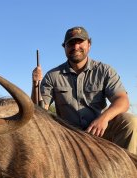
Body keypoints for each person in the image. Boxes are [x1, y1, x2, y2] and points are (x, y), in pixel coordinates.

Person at [32, 26, 137, 155]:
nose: (75, 47)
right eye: (71, 43)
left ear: (89, 45)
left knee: (130, 122)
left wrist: (103, 119)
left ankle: (130, 171)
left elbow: (122, 101)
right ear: (64, 47)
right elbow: (38, 110)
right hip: (68, 136)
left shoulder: (104, 70)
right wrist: (35, 83)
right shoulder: (52, 76)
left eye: (80, 42)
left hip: (99, 131)